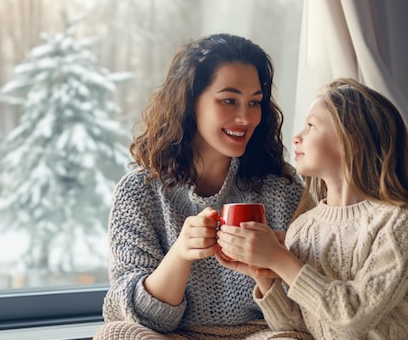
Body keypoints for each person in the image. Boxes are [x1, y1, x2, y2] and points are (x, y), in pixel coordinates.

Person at [215, 78, 408, 339]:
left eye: (311, 126)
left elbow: (353, 318)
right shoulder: (303, 228)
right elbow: (298, 326)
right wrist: (264, 274)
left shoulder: (398, 220)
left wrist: (282, 260)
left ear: (353, 141)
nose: (297, 136)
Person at [93, 33, 307, 339]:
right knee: (115, 335)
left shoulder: (282, 189)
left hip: (259, 334)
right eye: (229, 100)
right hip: (174, 335)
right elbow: (128, 313)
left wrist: (268, 267)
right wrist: (180, 253)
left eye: (255, 103)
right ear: (190, 100)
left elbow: (302, 315)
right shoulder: (139, 192)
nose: (245, 117)